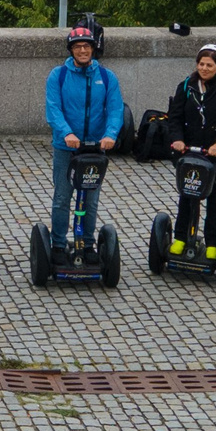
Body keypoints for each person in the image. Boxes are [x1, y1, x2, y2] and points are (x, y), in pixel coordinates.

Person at [44, 24, 124, 257]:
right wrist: (67, 133)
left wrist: (110, 135)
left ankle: (86, 243)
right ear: (71, 50)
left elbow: (116, 109)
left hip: (95, 148)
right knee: (62, 197)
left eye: (86, 46)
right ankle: (58, 243)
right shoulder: (58, 76)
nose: (82, 50)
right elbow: (53, 108)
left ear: (93, 48)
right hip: (66, 147)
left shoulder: (107, 78)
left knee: (90, 199)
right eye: (77, 47)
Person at [164, 42, 216, 261]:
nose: (204, 68)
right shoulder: (186, 86)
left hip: (215, 156)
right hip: (190, 152)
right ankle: (181, 237)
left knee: (214, 199)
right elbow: (175, 117)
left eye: (209, 65)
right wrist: (177, 139)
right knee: (187, 195)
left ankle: (213, 242)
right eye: (201, 64)